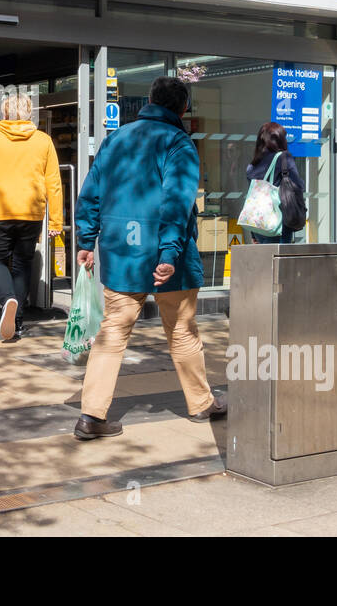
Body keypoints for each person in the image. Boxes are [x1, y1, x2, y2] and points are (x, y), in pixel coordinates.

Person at [72, 76, 226, 441]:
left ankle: (91, 415)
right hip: (164, 256)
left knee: (112, 333)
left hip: (120, 254)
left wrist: (85, 239)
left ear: (150, 101)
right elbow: (177, 201)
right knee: (182, 331)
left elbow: (91, 191)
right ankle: (202, 403)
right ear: (182, 108)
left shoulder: (116, 139)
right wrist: (170, 252)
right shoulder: (179, 143)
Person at [0, 91, 62, 341]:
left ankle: (6, 298)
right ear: (29, 113)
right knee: (22, 266)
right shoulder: (43, 141)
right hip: (30, 213)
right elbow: (54, 182)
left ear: (5, 113)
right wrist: (56, 221)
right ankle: (17, 323)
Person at [246, 121, 306, 244]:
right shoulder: (284, 158)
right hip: (278, 225)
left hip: (258, 225)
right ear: (280, 140)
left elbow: (252, 199)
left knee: (265, 262)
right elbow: (298, 187)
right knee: (279, 261)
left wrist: (253, 233)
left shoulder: (253, 165)